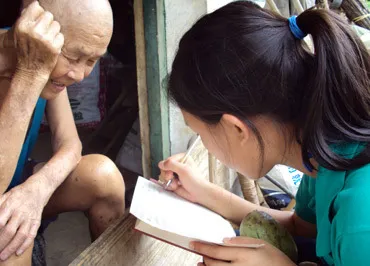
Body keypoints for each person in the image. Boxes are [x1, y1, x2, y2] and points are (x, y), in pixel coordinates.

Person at [159, 2, 370, 266]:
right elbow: (302, 227)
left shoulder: (361, 220)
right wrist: (203, 193)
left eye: (202, 134)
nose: (207, 146)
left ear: (237, 129)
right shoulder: (325, 151)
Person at [0, 1, 125, 264]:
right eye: (72, 57)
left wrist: (36, 189)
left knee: (104, 178)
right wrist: (29, 73)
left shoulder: (49, 66)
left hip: (16, 177)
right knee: (13, 238)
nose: (80, 74)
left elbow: (70, 145)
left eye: (91, 60)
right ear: (35, 33)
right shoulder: (36, 60)